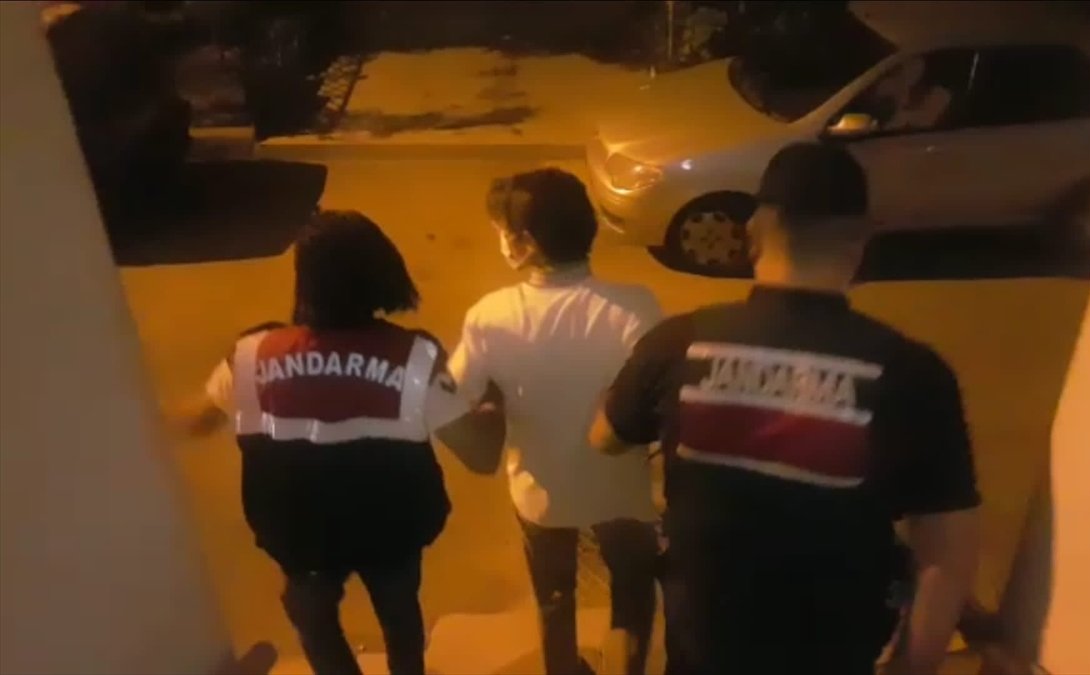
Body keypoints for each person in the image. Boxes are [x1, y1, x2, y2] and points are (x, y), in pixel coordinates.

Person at [590, 143, 981, 675]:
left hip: (703, 655)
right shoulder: (914, 374)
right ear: (861, 241)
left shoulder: (678, 343)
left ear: (754, 232)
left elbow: (606, 437)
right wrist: (915, 664)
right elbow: (946, 551)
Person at [179, 210, 502, 675]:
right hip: (392, 533)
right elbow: (481, 456)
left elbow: (195, 420)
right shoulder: (413, 358)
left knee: (312, 619)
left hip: (299, 537)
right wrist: (494, 402)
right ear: (383, 274)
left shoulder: (251, 355)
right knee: (399, 614)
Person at [448, 169, 661, 675]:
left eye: (503, 231)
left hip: (541, 494)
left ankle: (562, 667)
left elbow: (452, 397)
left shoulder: (491, 316)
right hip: (622, 490)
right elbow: (656, 399)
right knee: (631, 593)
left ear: (524, 243)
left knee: (553, 594)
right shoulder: (635, 308)